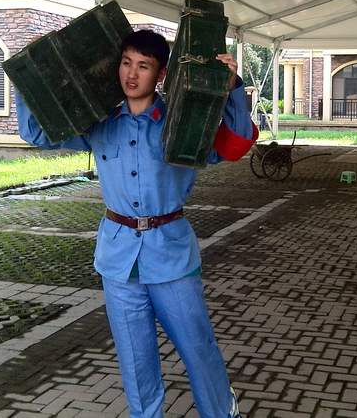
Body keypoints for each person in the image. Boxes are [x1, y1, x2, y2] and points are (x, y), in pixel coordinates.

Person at [15, 29, 257, 418]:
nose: (132, 73)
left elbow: (235, 144)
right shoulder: (100, 123)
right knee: (135, 359)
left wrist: (232, 89)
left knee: (199, 348)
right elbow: (36, 133)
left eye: (143, 66)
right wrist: (29, 76)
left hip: (171, 257)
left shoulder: (182, 122)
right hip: (118, 260)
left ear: (160, 74)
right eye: (126, 63)